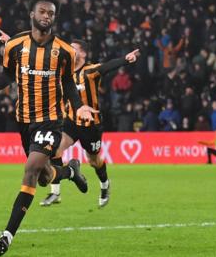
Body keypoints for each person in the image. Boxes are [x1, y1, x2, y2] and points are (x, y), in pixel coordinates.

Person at [0, 0, 97, 256]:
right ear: (32, 14)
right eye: (43, 12)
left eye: (51, 13)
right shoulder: (14, 45)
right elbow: (7, 76)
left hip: (50, 121)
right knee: (45, 176)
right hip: (24, 120)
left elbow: (69, 83)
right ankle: (71, 171)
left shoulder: (65, 51)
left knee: (31, 169)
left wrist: (79, 105)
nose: (47, 16)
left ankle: (7, 235)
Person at [38, 39, 140, 207]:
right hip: (70, 121)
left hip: (91, 125)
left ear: (83, 53)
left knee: (94, 161)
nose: (69, 51)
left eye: (73, 49)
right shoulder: (64, 72)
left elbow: (107, 66)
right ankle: (55, 193)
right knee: (54, 150)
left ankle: (105, 185)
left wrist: (125, 59)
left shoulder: (90, 71)